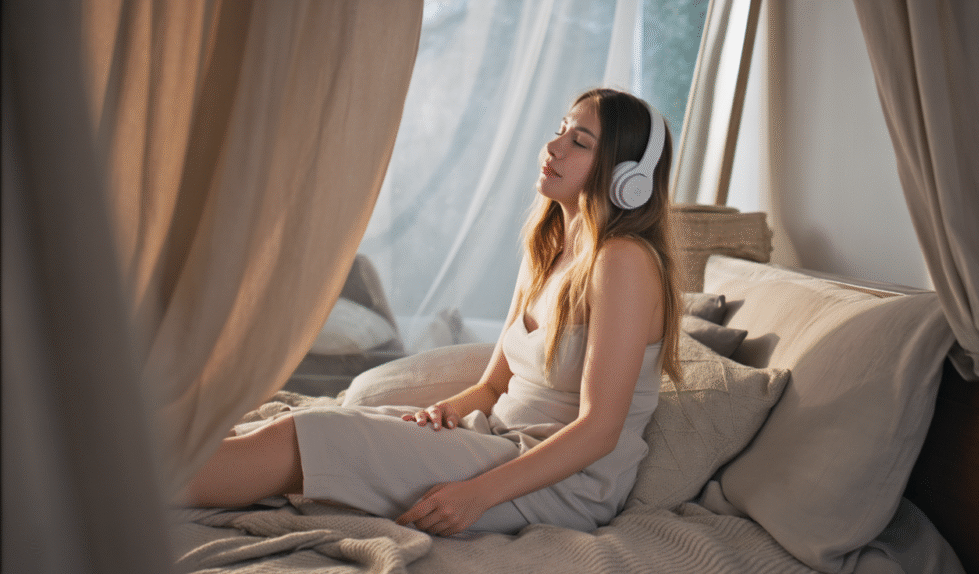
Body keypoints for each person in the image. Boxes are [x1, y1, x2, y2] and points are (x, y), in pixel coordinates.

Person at [185, 88, 682, 538]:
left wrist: (477, 494)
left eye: (580, 141)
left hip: (562, 482)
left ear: (628, 177)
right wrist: (450, 411)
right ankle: (134, 471)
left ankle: (118, 496)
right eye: (559, 131)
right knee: (290, 427)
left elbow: (600, 429)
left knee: (307, 439)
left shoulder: (624, 262)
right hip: (496, 442)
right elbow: (492, 388)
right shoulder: (548, 248)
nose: (553, 147)